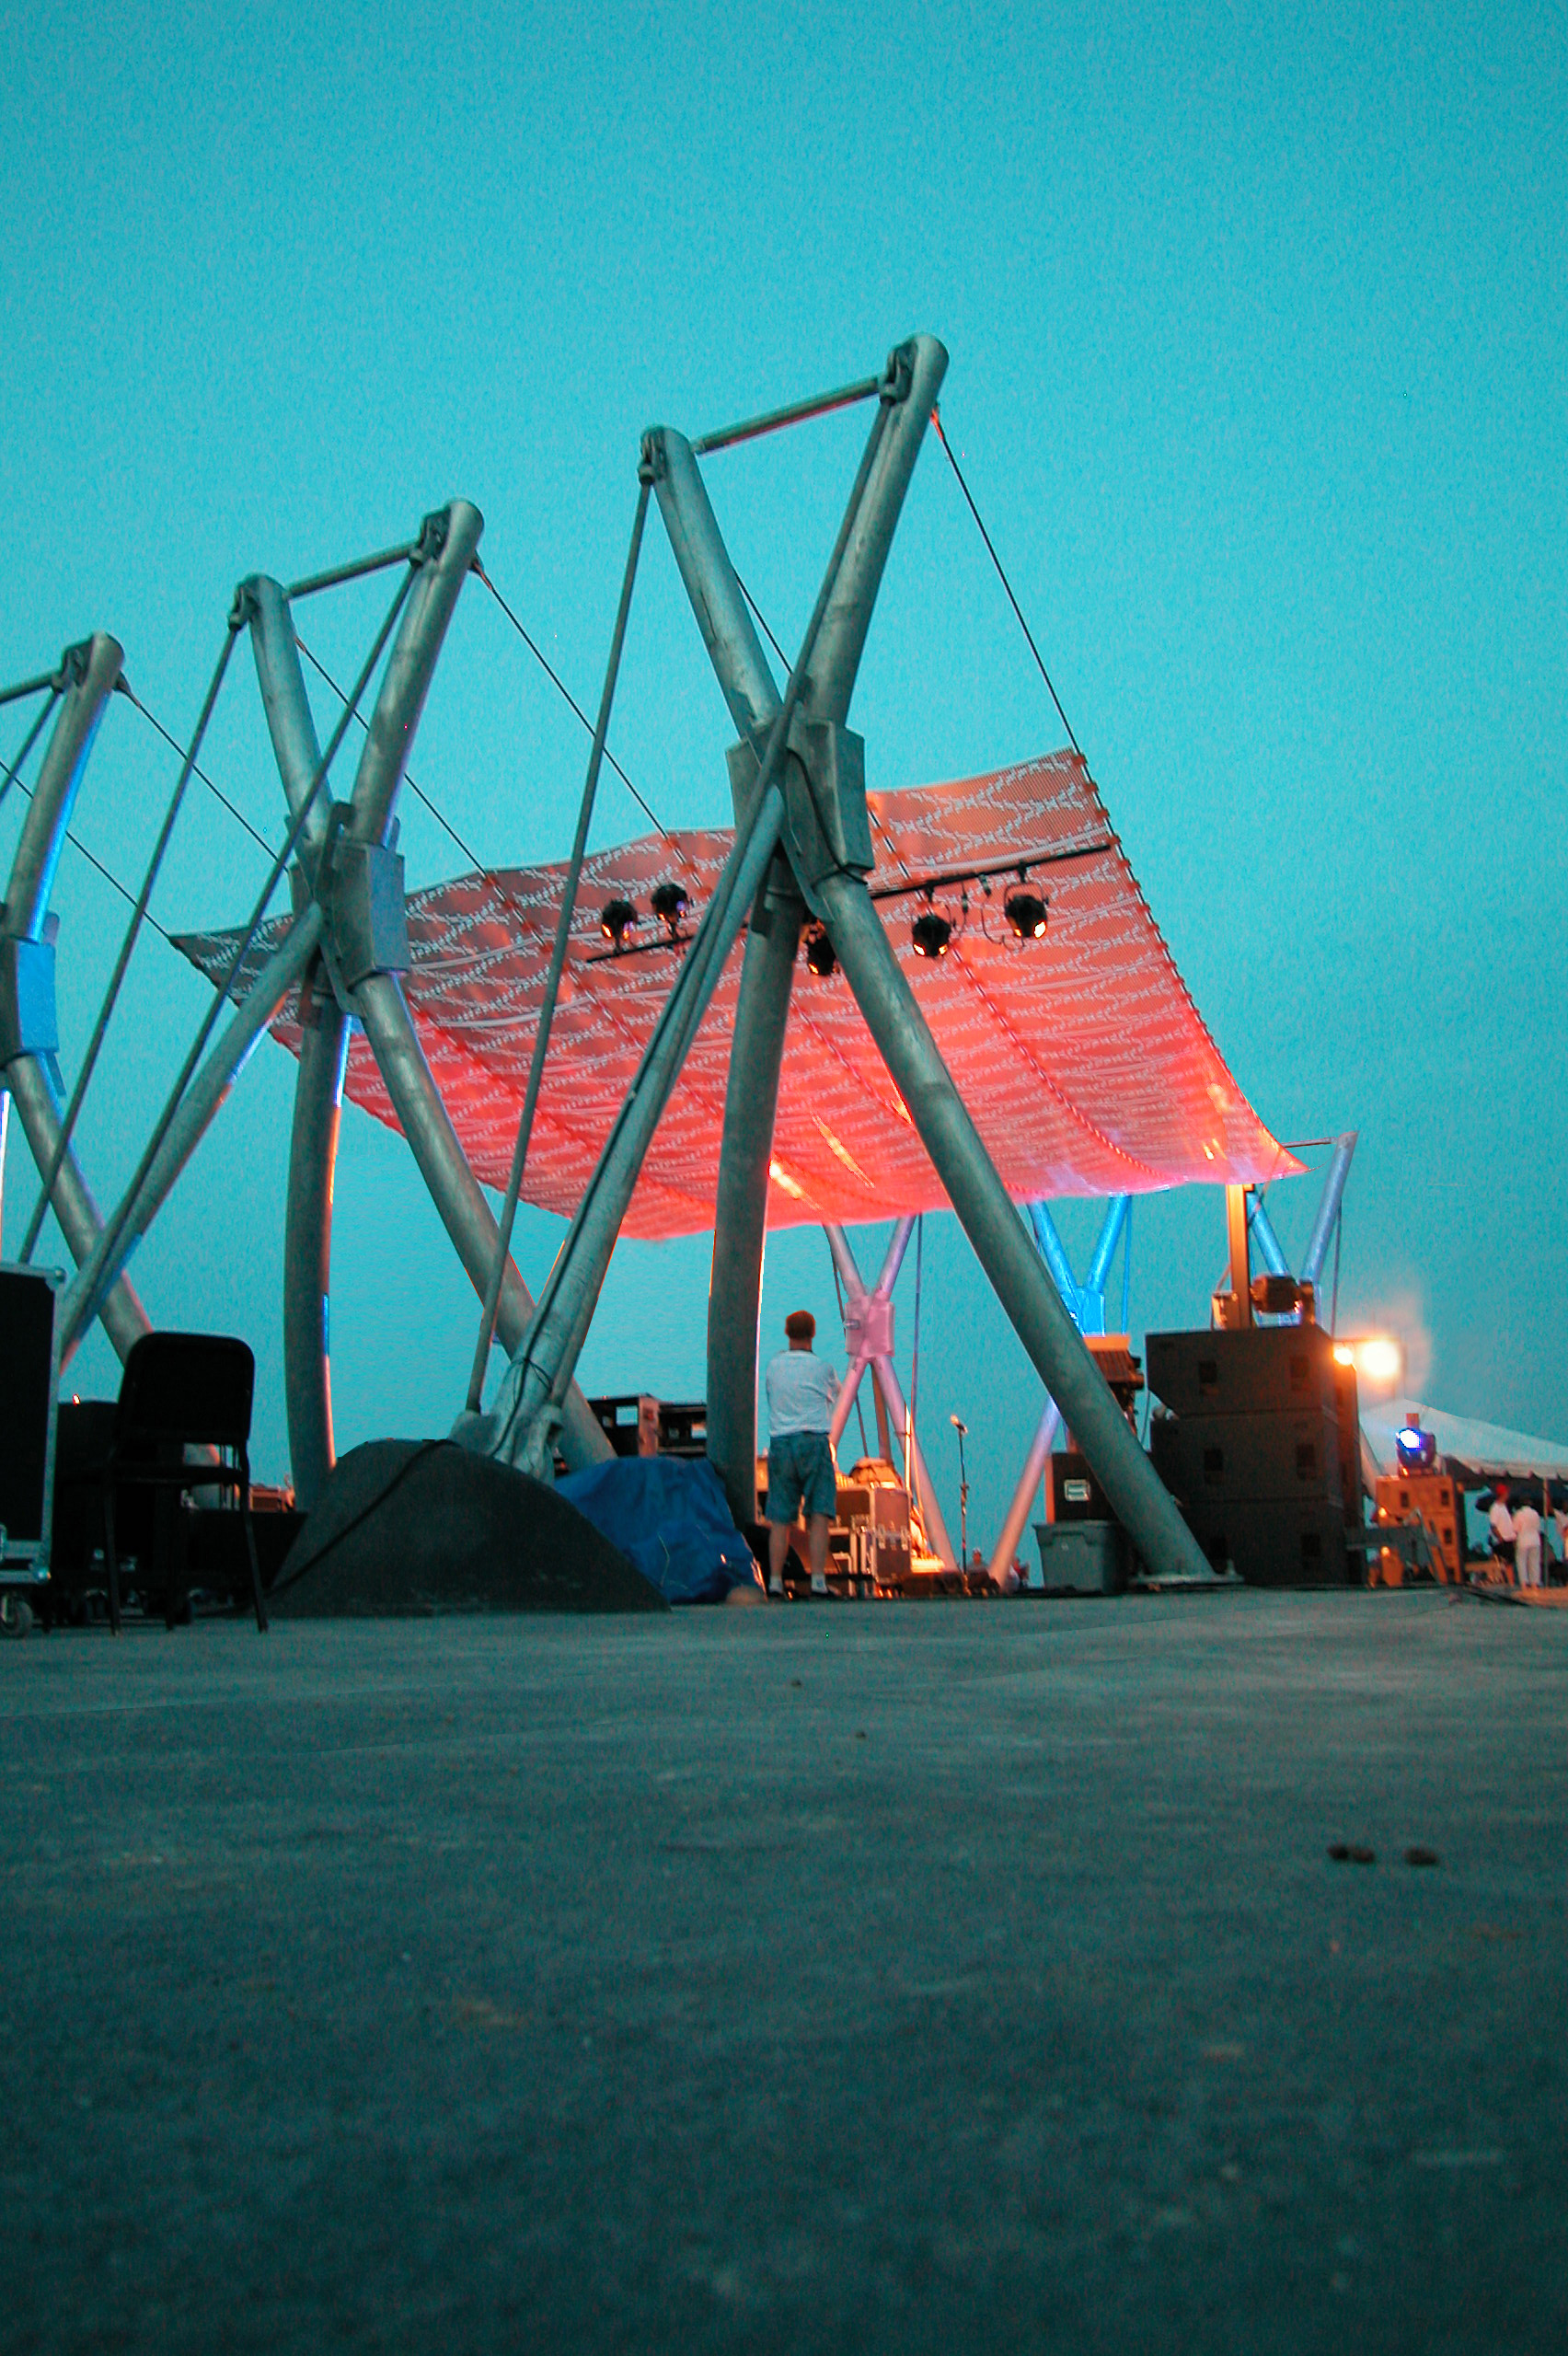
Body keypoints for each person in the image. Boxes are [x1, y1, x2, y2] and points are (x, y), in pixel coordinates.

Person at [764, 1309, 839, 1598]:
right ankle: (818, 1581)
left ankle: (774, 1581)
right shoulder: (823, 1368)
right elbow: (836, 1395)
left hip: (781, 1443)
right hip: (814, 1441)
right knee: (819, 1514)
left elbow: (773, 1397)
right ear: (813, 1333)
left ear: (787, 1332)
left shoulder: (773, 1366)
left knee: (780, 1519)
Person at [1488, 1481, 1516, 1581]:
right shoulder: (1495, 1508)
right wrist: (1500, 1538)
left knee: (1510, 1563)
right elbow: (1493, 1526)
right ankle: (1509, 1582)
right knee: (1507, 1563)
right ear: (1503, 1494)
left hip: (1509, 1538)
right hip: (1503, 1539)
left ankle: (1511, 1582)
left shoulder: (1504, 1507)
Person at [1514, 1496, 1543, 1588]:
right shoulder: (1535, 1513)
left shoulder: (1518, 1514)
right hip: (1535, 1540)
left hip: (1523, 1540)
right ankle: (1535, 1583)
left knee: (1521, 1562)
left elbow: (1515, 1529)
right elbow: (1538, 1527)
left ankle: (1524, 1584)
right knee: (1534, 1562)